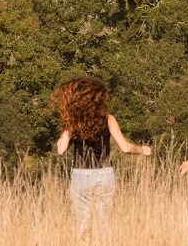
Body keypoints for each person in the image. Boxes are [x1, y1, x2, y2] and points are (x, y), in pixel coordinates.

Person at [50, 76, 152, 232]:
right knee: (103, 225)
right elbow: (125, 148)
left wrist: (69, 124)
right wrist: (141, 150)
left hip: (81, 175)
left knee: (81, 226)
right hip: (104, 174)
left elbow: (61, 148)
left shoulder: (75, 122)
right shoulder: (109, 119)